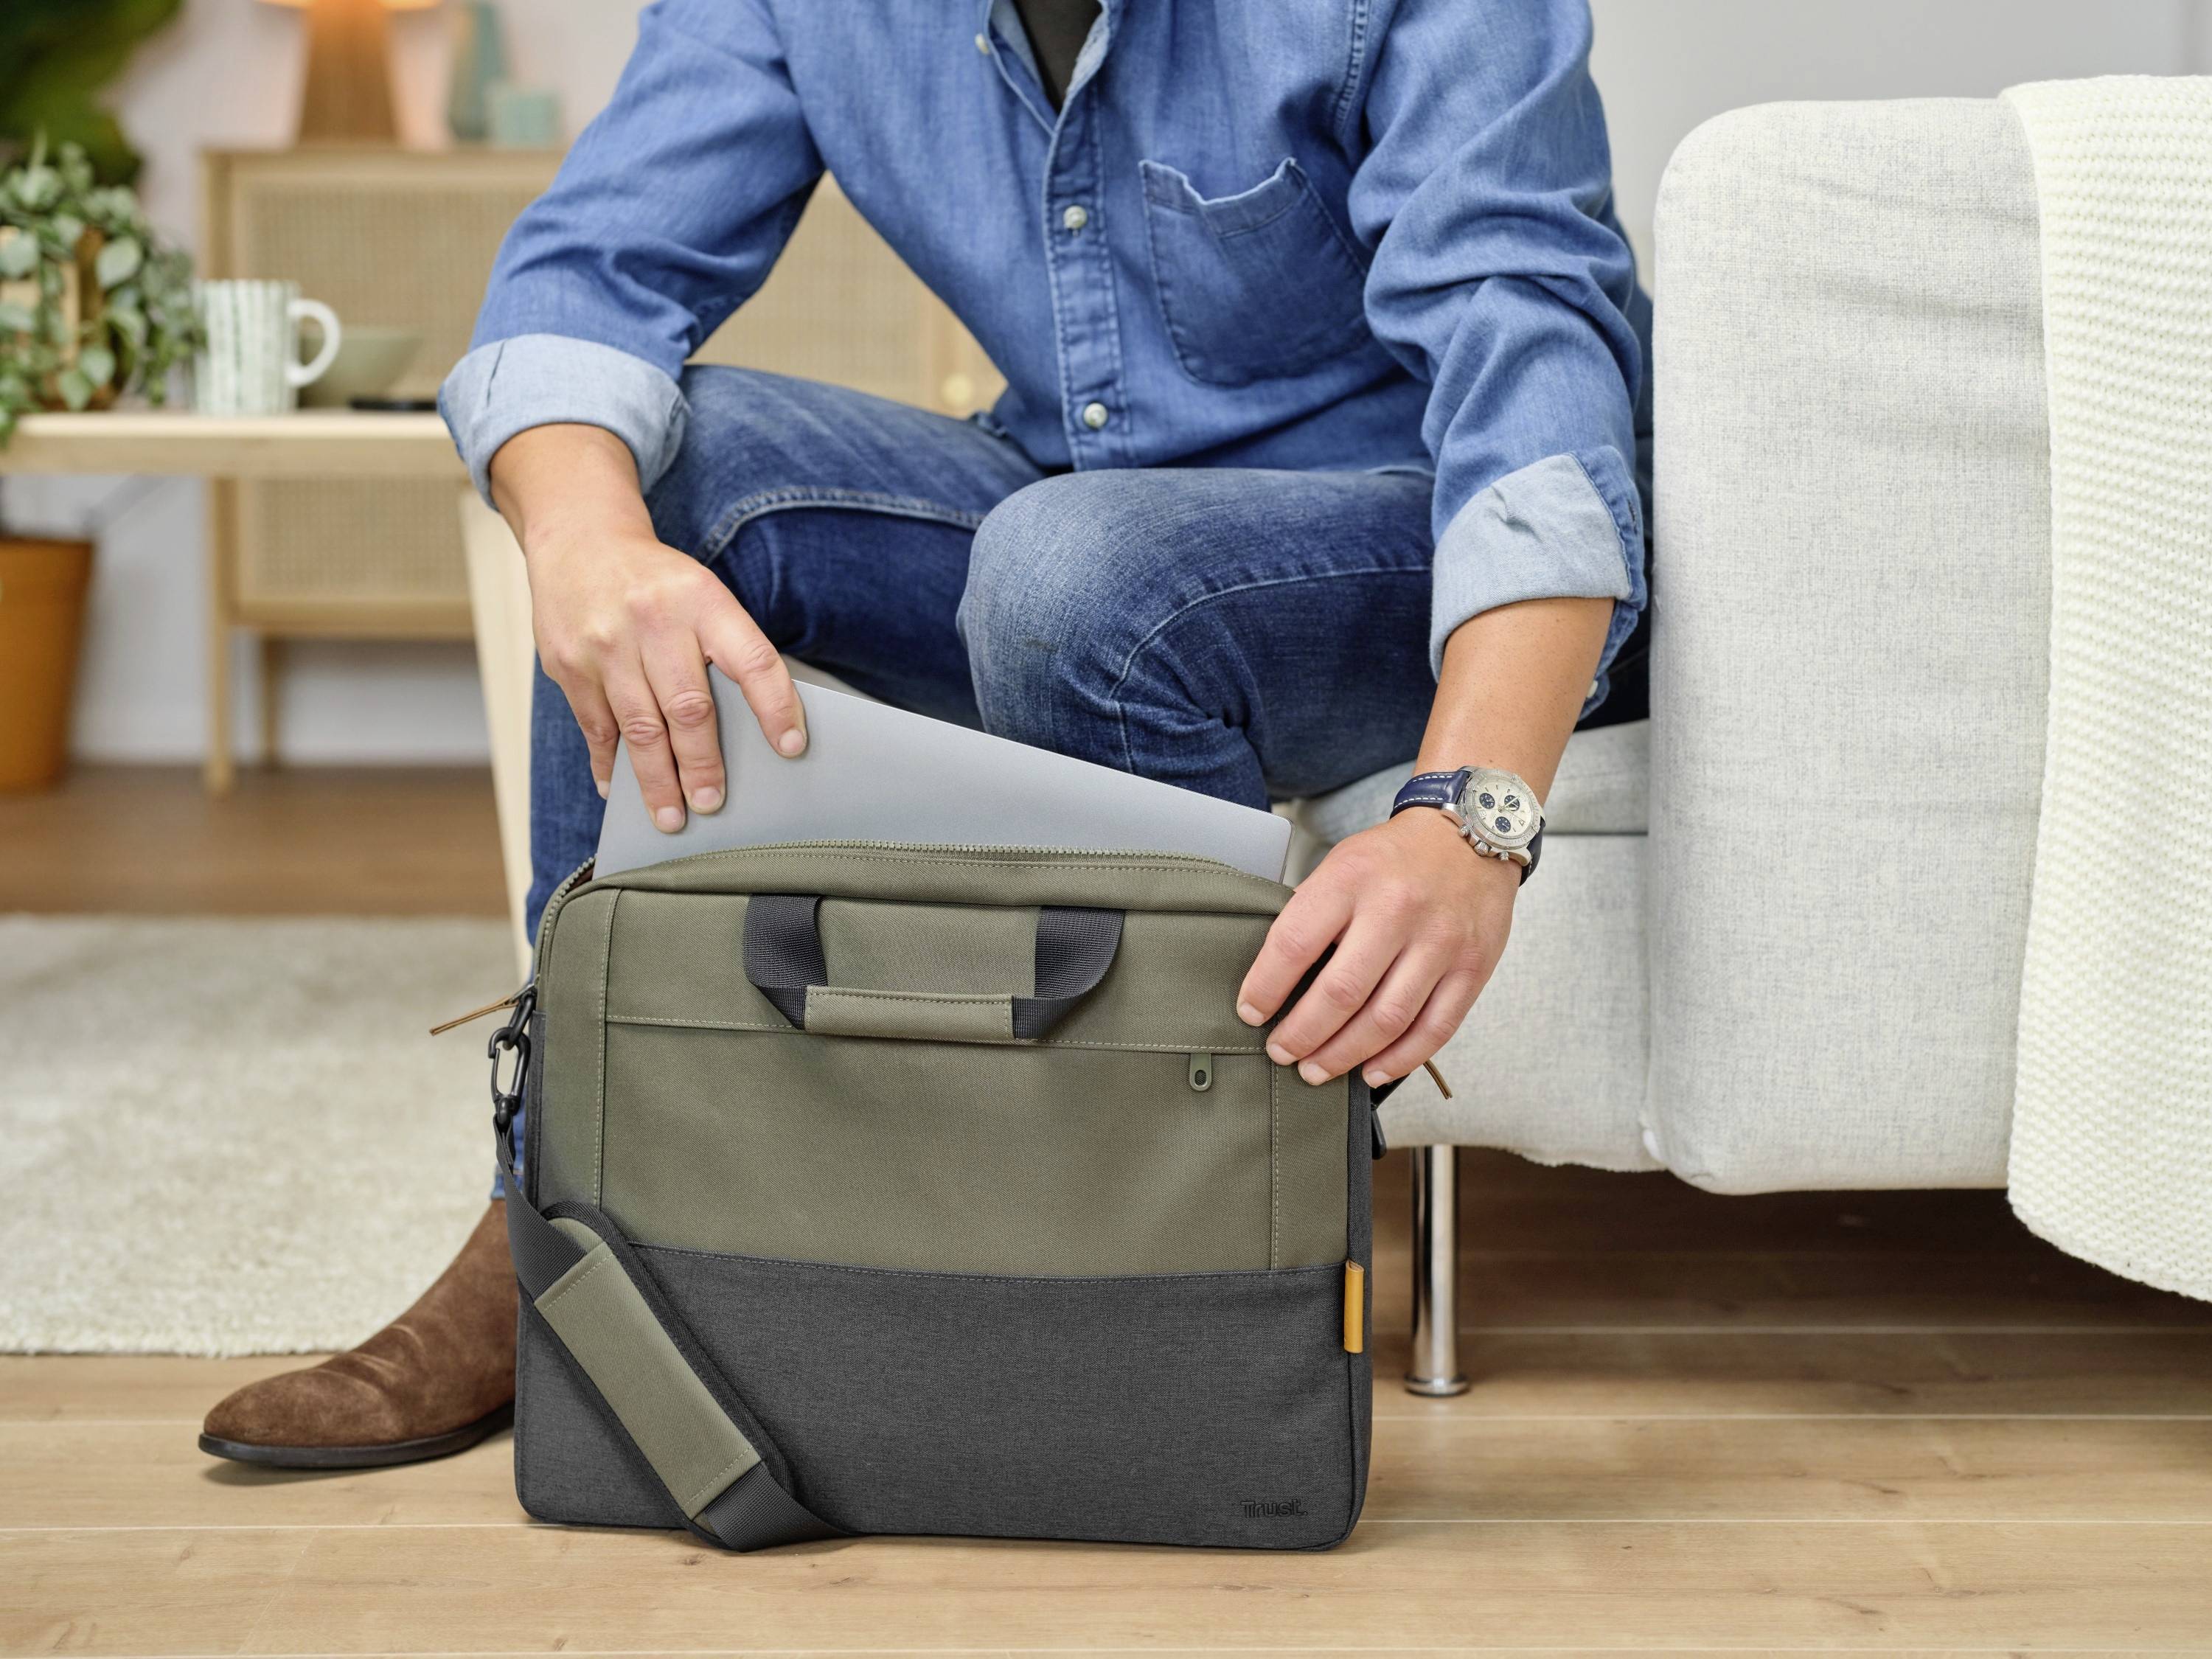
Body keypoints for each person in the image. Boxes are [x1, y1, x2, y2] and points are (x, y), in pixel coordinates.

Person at [201, 0, 1651, 1467]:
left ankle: (1195, 1265)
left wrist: (1477, 804)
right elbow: (590, 271)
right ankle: (568, 1226)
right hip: (1073, 499)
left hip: (1399, 543)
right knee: (666, 470)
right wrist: (581, 547)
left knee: (1066, 574)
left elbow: (1529, 363)